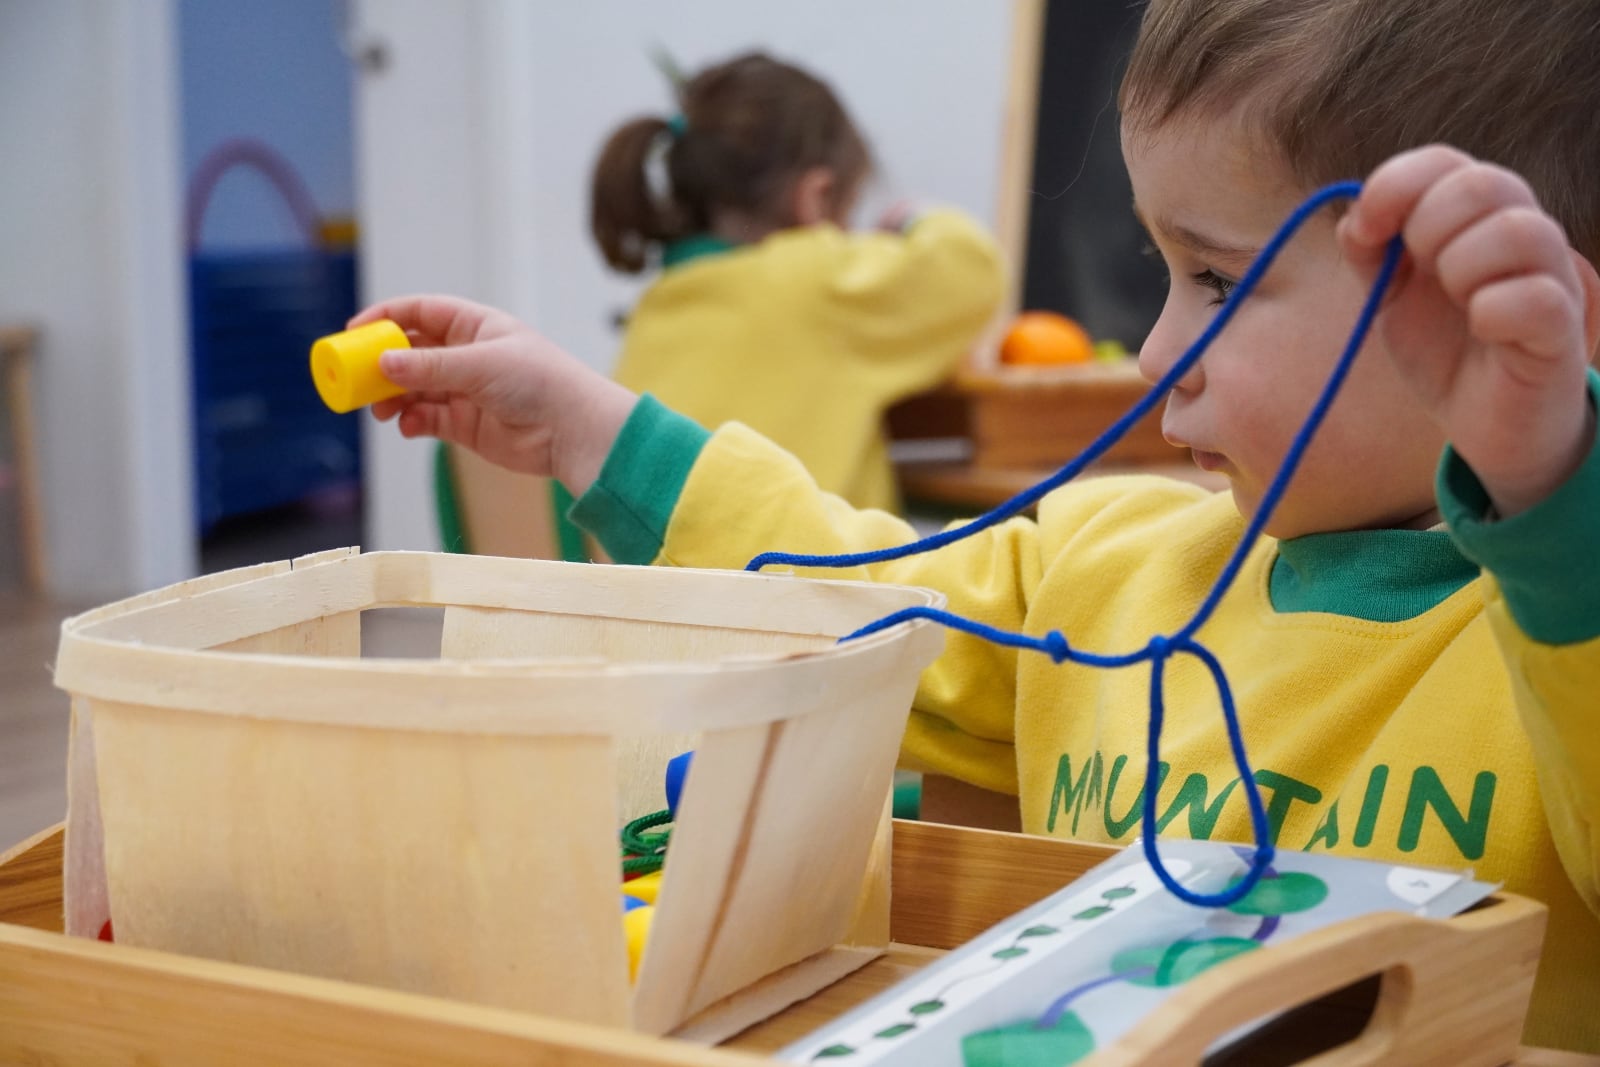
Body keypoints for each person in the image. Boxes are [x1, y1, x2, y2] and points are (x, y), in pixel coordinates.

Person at [353, 0, 1600, 1049]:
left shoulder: (1557, 630)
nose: (1161, 351)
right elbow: (834, 585)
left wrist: (1554, 500)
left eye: (1215, 279)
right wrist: (589, 427)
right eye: (1165, 271)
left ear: (1507, 316)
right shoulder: (1104, 562)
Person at [591, 51, 1003, 512]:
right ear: (817, 198)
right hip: (796, 579)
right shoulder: (817, 279)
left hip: (670, 578)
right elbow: (972, 269)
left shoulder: (661, 301)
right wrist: (910, 217)